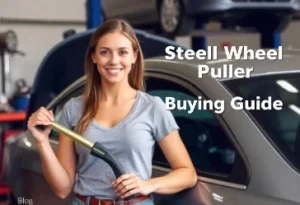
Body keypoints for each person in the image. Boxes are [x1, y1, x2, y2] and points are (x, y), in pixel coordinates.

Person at [27, 19, 197, 205]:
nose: (114, 61)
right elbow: (62, 189)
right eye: (105, 52)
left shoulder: (152, 108)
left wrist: (148, 185)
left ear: (134, 56)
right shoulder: (73, 109)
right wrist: (41, 141)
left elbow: (187, 174)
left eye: (122, 52)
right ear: (94, 57)